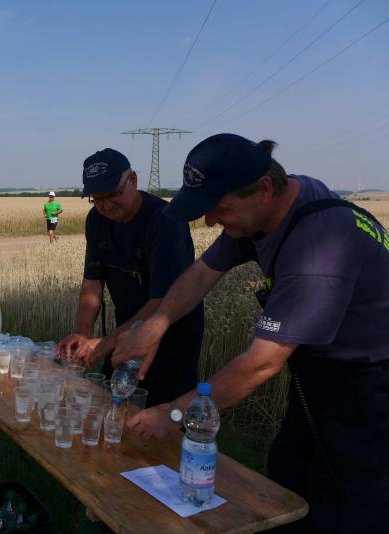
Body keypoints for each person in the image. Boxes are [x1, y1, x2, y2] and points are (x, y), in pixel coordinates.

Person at [114, 133, 389, 532]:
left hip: (367, 385)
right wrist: (155, 325)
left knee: (349, 501)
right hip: (320, 372)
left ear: (263, 189)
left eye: (219, 208)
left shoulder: (317, 251)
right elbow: (201, 273)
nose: (211, 221)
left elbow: (262, 363)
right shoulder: (274, 205)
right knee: (289, 477)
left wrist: (173, 414)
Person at [56, 148, 203, 408]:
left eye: (113, 194)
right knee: (113, 410)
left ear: (132, 180)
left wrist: (104, 345)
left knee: (161, 417)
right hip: (124, 333)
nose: (105, 205)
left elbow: (163, 301)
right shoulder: (97, 220)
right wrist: (83, 333)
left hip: (170, 337)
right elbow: (92, 282)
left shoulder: (165, 222)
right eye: (96, 199)